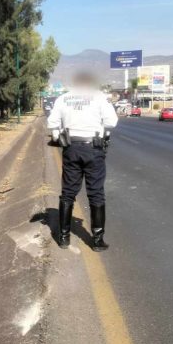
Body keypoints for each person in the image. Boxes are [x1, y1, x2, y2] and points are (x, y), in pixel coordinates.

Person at [47, 72, 118, 251]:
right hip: (93, 148)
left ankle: (63, 237)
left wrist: (59, 134)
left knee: (68, 192)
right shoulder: (99, 97)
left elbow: (52, 122)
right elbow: (112, 122)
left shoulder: (63, 99)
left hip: (71, 147)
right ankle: (97, 240)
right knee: (96, 193)